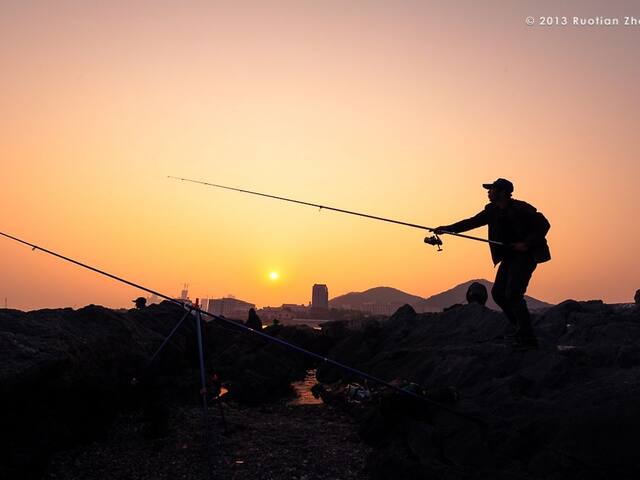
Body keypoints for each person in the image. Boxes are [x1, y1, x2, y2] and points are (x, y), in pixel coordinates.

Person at [435, 178, 550, 350]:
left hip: (526, 255)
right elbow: (471, 222)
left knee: (513, 294)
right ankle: (519, 328)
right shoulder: (492, 211)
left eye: (491, 189)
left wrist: (525, 244)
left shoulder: (522, 208)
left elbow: (544, 225)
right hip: (509, 257)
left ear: (502, 192)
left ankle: (528, 338)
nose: (488, 192)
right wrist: (447, 229)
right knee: (497, 293)